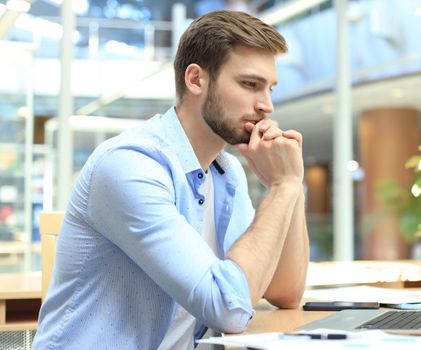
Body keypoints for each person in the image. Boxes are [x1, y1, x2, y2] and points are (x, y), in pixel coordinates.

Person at [33, 10, 309, 350]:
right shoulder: (130, 165)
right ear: (195, 80)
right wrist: (282, 189)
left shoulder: (226, 172)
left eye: (270, 88)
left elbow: (285, 291)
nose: (267, 105)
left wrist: (290, 184)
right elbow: (228, 308)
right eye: (250, 84)